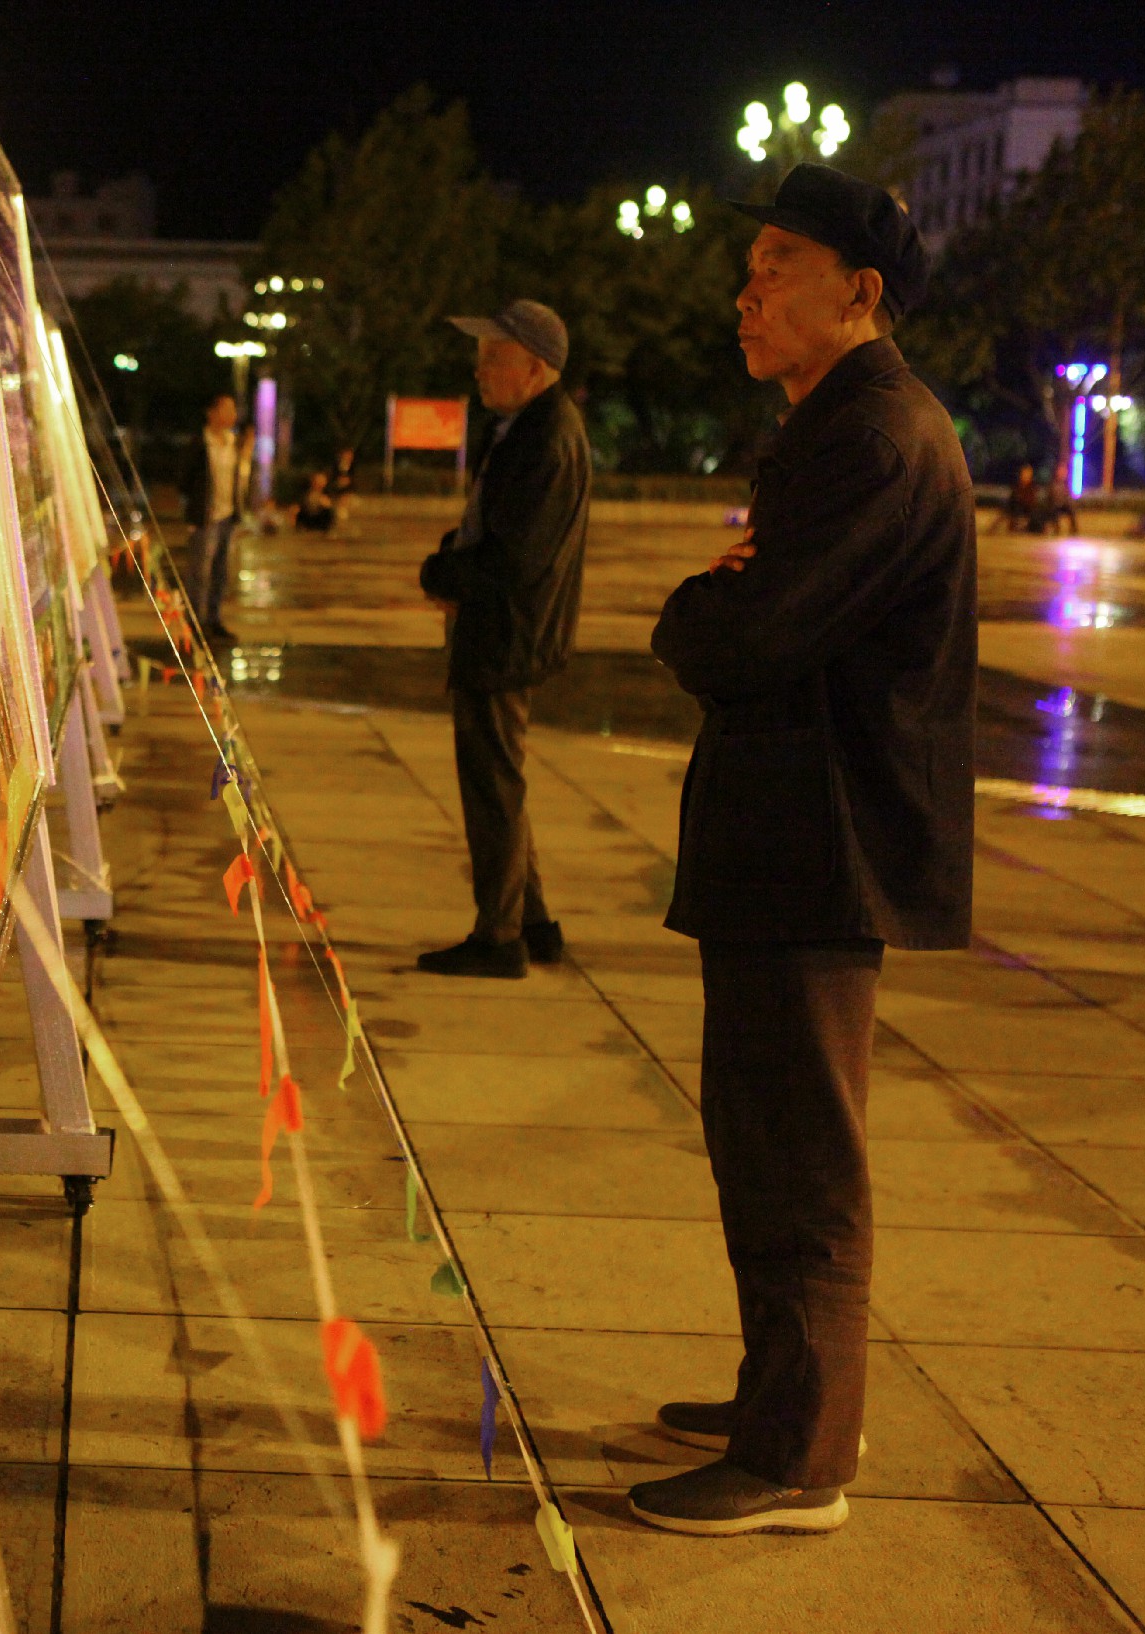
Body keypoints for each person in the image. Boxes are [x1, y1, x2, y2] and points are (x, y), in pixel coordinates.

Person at [631, 163, 976, 1538]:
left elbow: (753, 631)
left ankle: (801, 1455)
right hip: (793, 838)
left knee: (800, 1154)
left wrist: (689, 609)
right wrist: (728, 599)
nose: (748, 291)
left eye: (779, 266)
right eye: (752, 265)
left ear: (860, 292)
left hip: (823, 844)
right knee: (763, 1136)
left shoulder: (875, 436)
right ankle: (786, 1394)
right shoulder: (844, 426)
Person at [413, 299, 590, 978]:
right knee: (501, 780)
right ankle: (532, 922)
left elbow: (514, 557)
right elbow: (495, 530)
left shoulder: (544, 439)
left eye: (494, 358)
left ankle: (499, 937)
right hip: (506, 630)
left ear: (536, 368)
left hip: (505, 634)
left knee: (492, 788)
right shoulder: (528, 428)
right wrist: (451, 558)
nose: (479, 370)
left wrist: (440, 574)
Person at [178, 391, 247, 639]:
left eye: (233, 410)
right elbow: (184, 479)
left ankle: (214, 618)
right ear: (211, 413)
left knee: (220, 571)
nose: (232, 415)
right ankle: (194, 621)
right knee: (199, 572)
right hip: (205, 517)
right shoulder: (200, 443)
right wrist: (196, 507)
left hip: (227, 515)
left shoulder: (233, 442)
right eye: (226, 409)